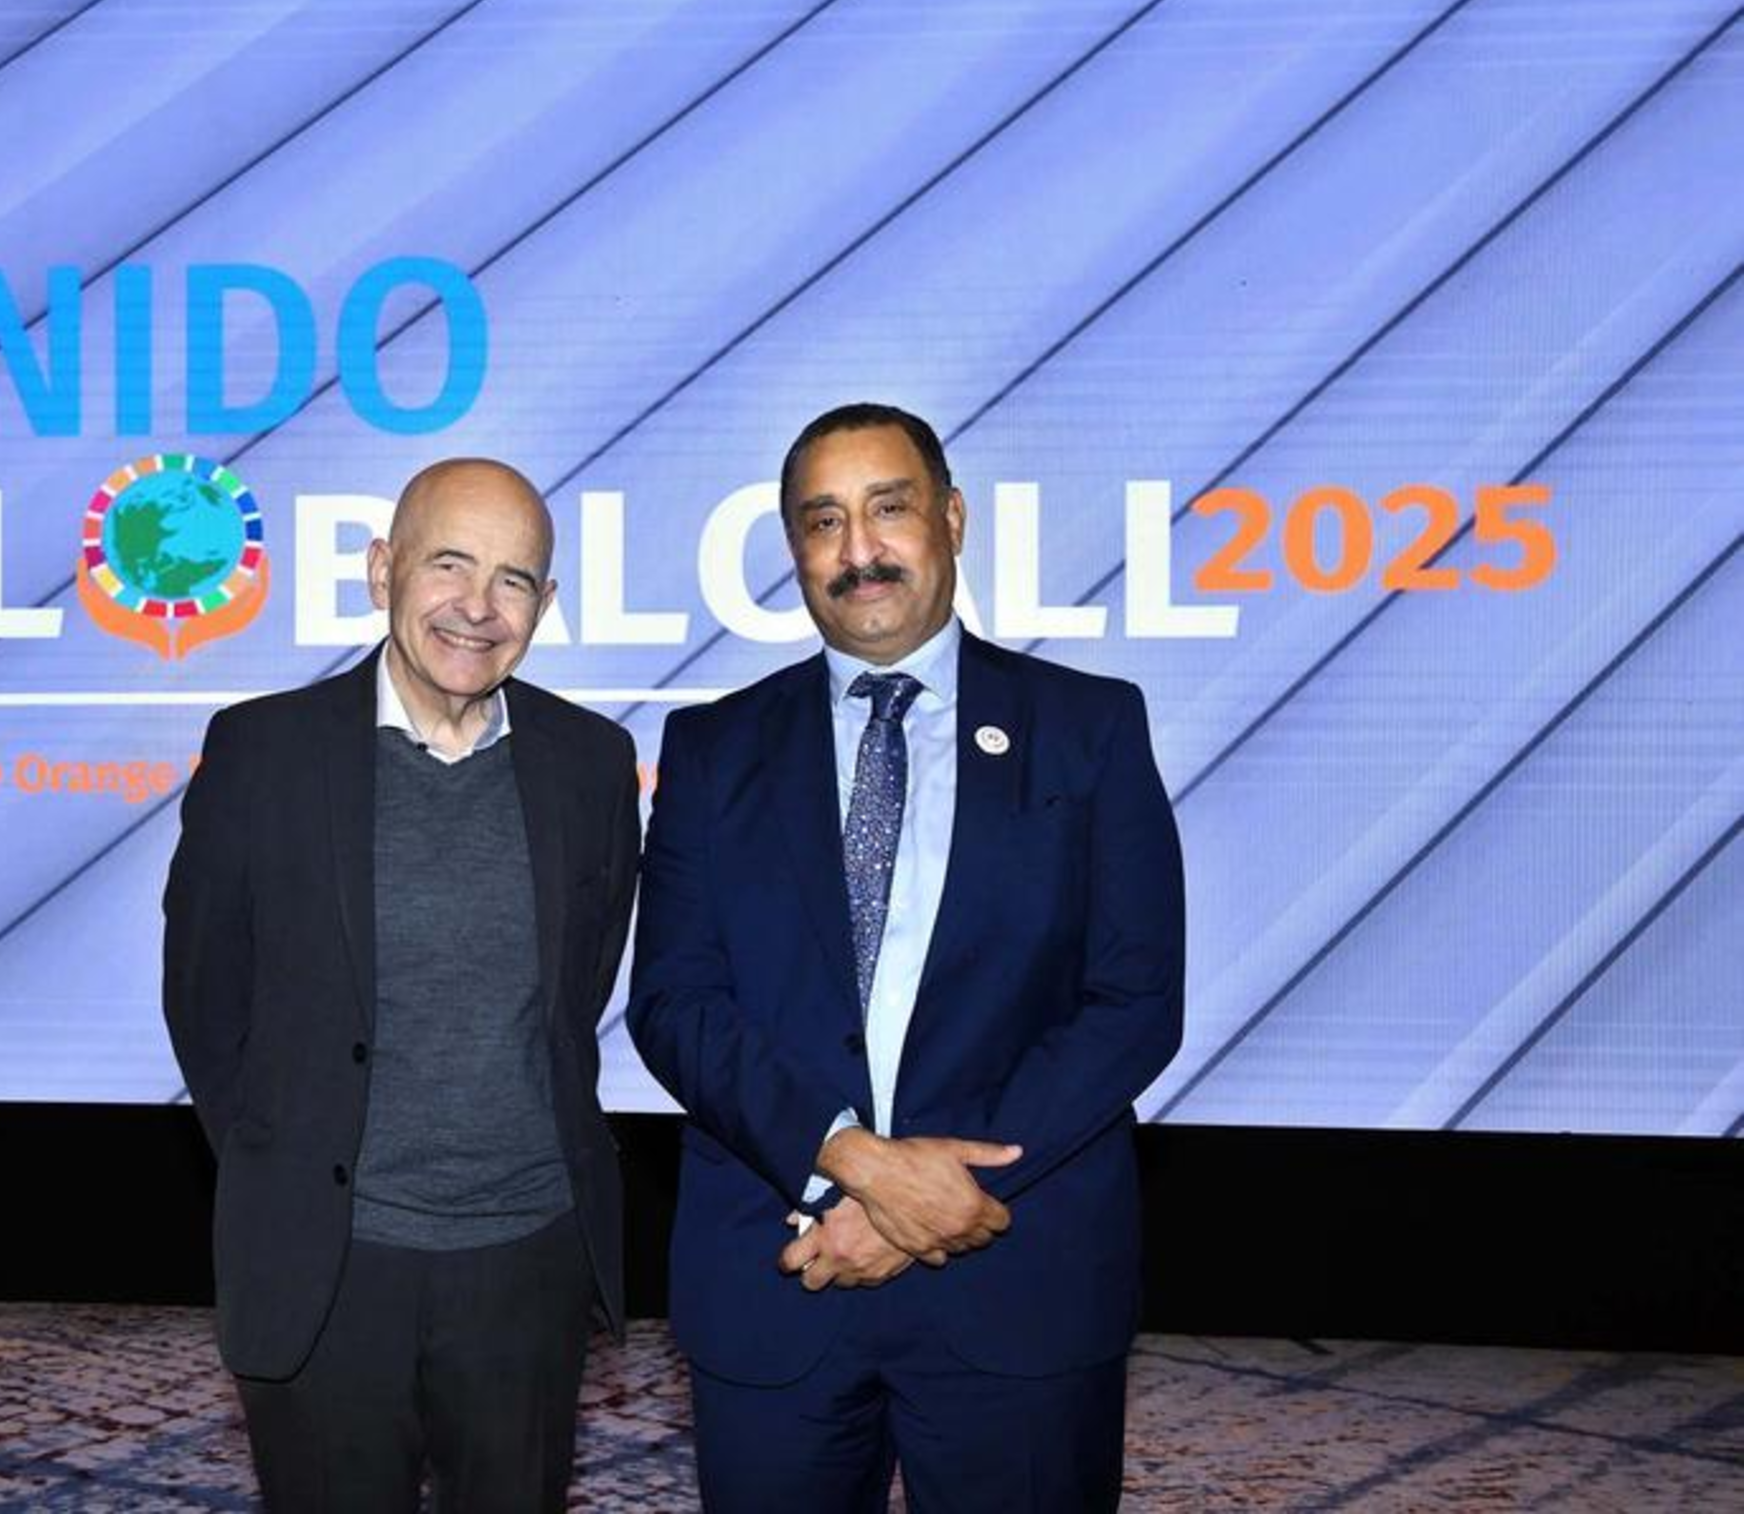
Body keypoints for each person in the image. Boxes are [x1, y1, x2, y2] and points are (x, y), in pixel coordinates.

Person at [629, 404, 1184, 1512]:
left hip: (1015, 1275)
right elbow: (676, 1004)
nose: (859, 549)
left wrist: (940, 1196)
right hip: (778, 1279)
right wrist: (856, 1166)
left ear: (952, 519)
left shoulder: (1089, 728)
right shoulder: (713, 747)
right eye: (823, 521)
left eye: (888, 508)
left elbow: (1134, 1000)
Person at [164, 458, 641, 1513]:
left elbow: (576, 991)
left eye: (514, 580)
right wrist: (289, 1162)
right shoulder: (261, 752)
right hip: (331, 1265)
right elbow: (205, 999)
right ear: (383, 570)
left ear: (546, 602)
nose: (479, 606)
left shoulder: (594, 763)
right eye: (449, 564)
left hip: (526, 1258)